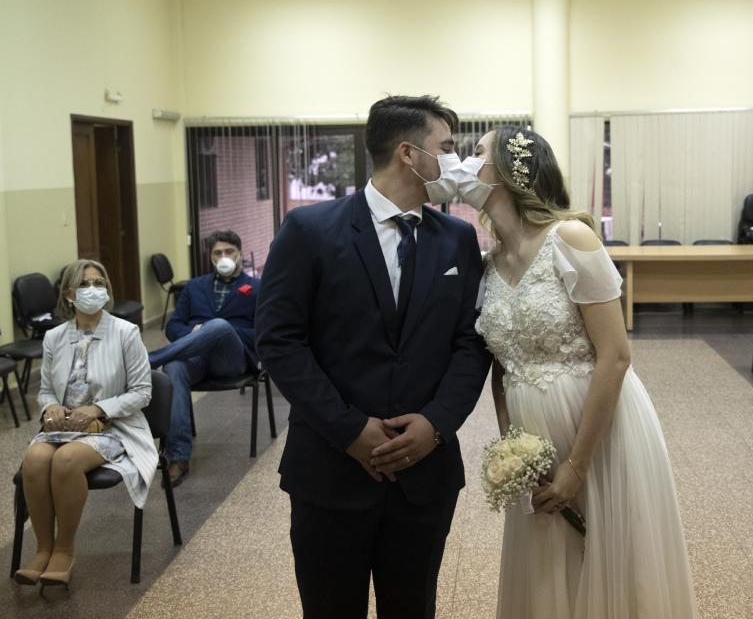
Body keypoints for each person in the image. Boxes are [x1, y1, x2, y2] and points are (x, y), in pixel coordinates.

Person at [256, 95, 491, 618]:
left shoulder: (456, 238)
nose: (456, 163)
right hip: (330, 471)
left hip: (425, 475)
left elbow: (471, 342)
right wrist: (349, 429)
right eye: (447, 148)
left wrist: (436, 424)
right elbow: (279, 341)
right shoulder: (311, 231)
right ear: (409, 153)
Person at [457, 126, 698, 619]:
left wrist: (577, 465)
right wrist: (511, 446)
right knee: (550, 562)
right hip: (533, 438)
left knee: (609, 559)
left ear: (508, 169)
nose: (463, 161)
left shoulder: (570, 238)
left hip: (600, 430)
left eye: (475, 152)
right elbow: (500, 368)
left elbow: (615, 355)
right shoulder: (488, 263)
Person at [15, 260, 155, 588]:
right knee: (34, 460)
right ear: (69, 294)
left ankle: (63, 550)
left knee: (65, 460)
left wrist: (98, 409)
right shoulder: (54, 337)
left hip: (112, 426)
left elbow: (142, 392)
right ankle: (42, 550)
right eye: (85, 284)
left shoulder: (125, 332)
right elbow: (47, 389)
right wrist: (49, 407)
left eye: (99, 283)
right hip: (62, 426)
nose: (93, 290)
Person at [148, 230, 259, 486]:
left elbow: (262, 333)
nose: (223, 257)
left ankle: (149, 360)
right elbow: (173, 327)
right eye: (217, 253)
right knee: (173, 366)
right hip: (194, 359)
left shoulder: (256, 288)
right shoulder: (194, 287)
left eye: (229, 252)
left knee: (219, 326)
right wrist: (194, 333)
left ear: (239, 253)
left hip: (232, 360)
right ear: (210, 257)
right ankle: (177, 458)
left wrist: (220, 331)